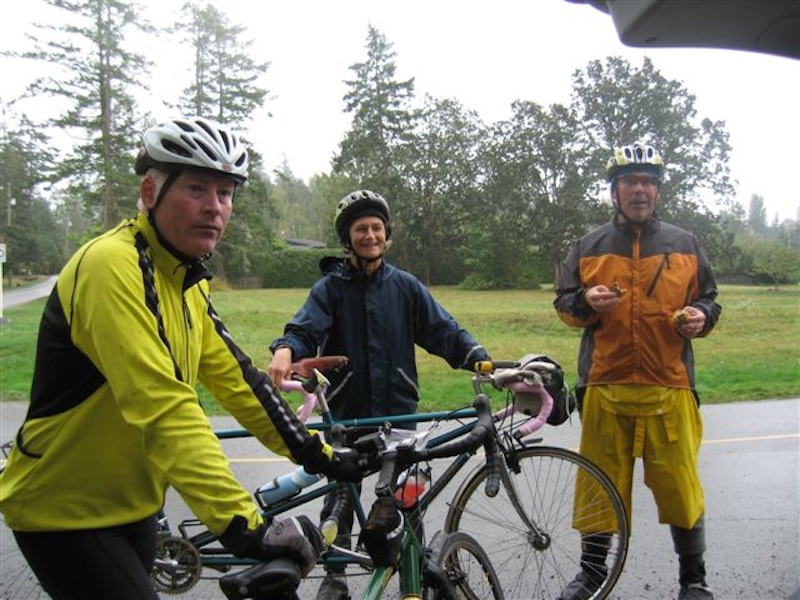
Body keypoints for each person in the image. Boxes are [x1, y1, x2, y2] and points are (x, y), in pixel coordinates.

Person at [0, 116, 360, 600]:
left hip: (133, 503)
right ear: (150, 192)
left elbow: (239, 380)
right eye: (196, 188)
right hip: (63, 506)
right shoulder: (111, 266)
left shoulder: (184, 280)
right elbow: (163, 404)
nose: (214, 207)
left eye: (225, 193)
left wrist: (320, 455)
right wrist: (245, 525)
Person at [267, 189, 491, 600]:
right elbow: (304, 329)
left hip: (398, 411)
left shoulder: (405, 287)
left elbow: (444, 332)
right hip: (348, 414)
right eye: (361, 229)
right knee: (340, 500)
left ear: (386, 234)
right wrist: (285, 349)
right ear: (347, 238)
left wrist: (480, 359)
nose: (370, 235)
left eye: (376, 228)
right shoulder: (331, 288)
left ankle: (411, 574)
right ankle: (335, 576)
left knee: (407, 499)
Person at [553, 142, 722, 600]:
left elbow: (709, 300)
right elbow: (564, 305)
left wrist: (700, 316)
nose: (639, 189)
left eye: (648, 181)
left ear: (658, 191)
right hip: (604, 385)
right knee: (598, 485)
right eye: (630, 181)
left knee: (681, 486)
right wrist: (586, 301)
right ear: (615, 191)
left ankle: (694, 579)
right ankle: (592, 573)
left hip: (670, 385)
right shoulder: (588, 246)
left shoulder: (685, 244)